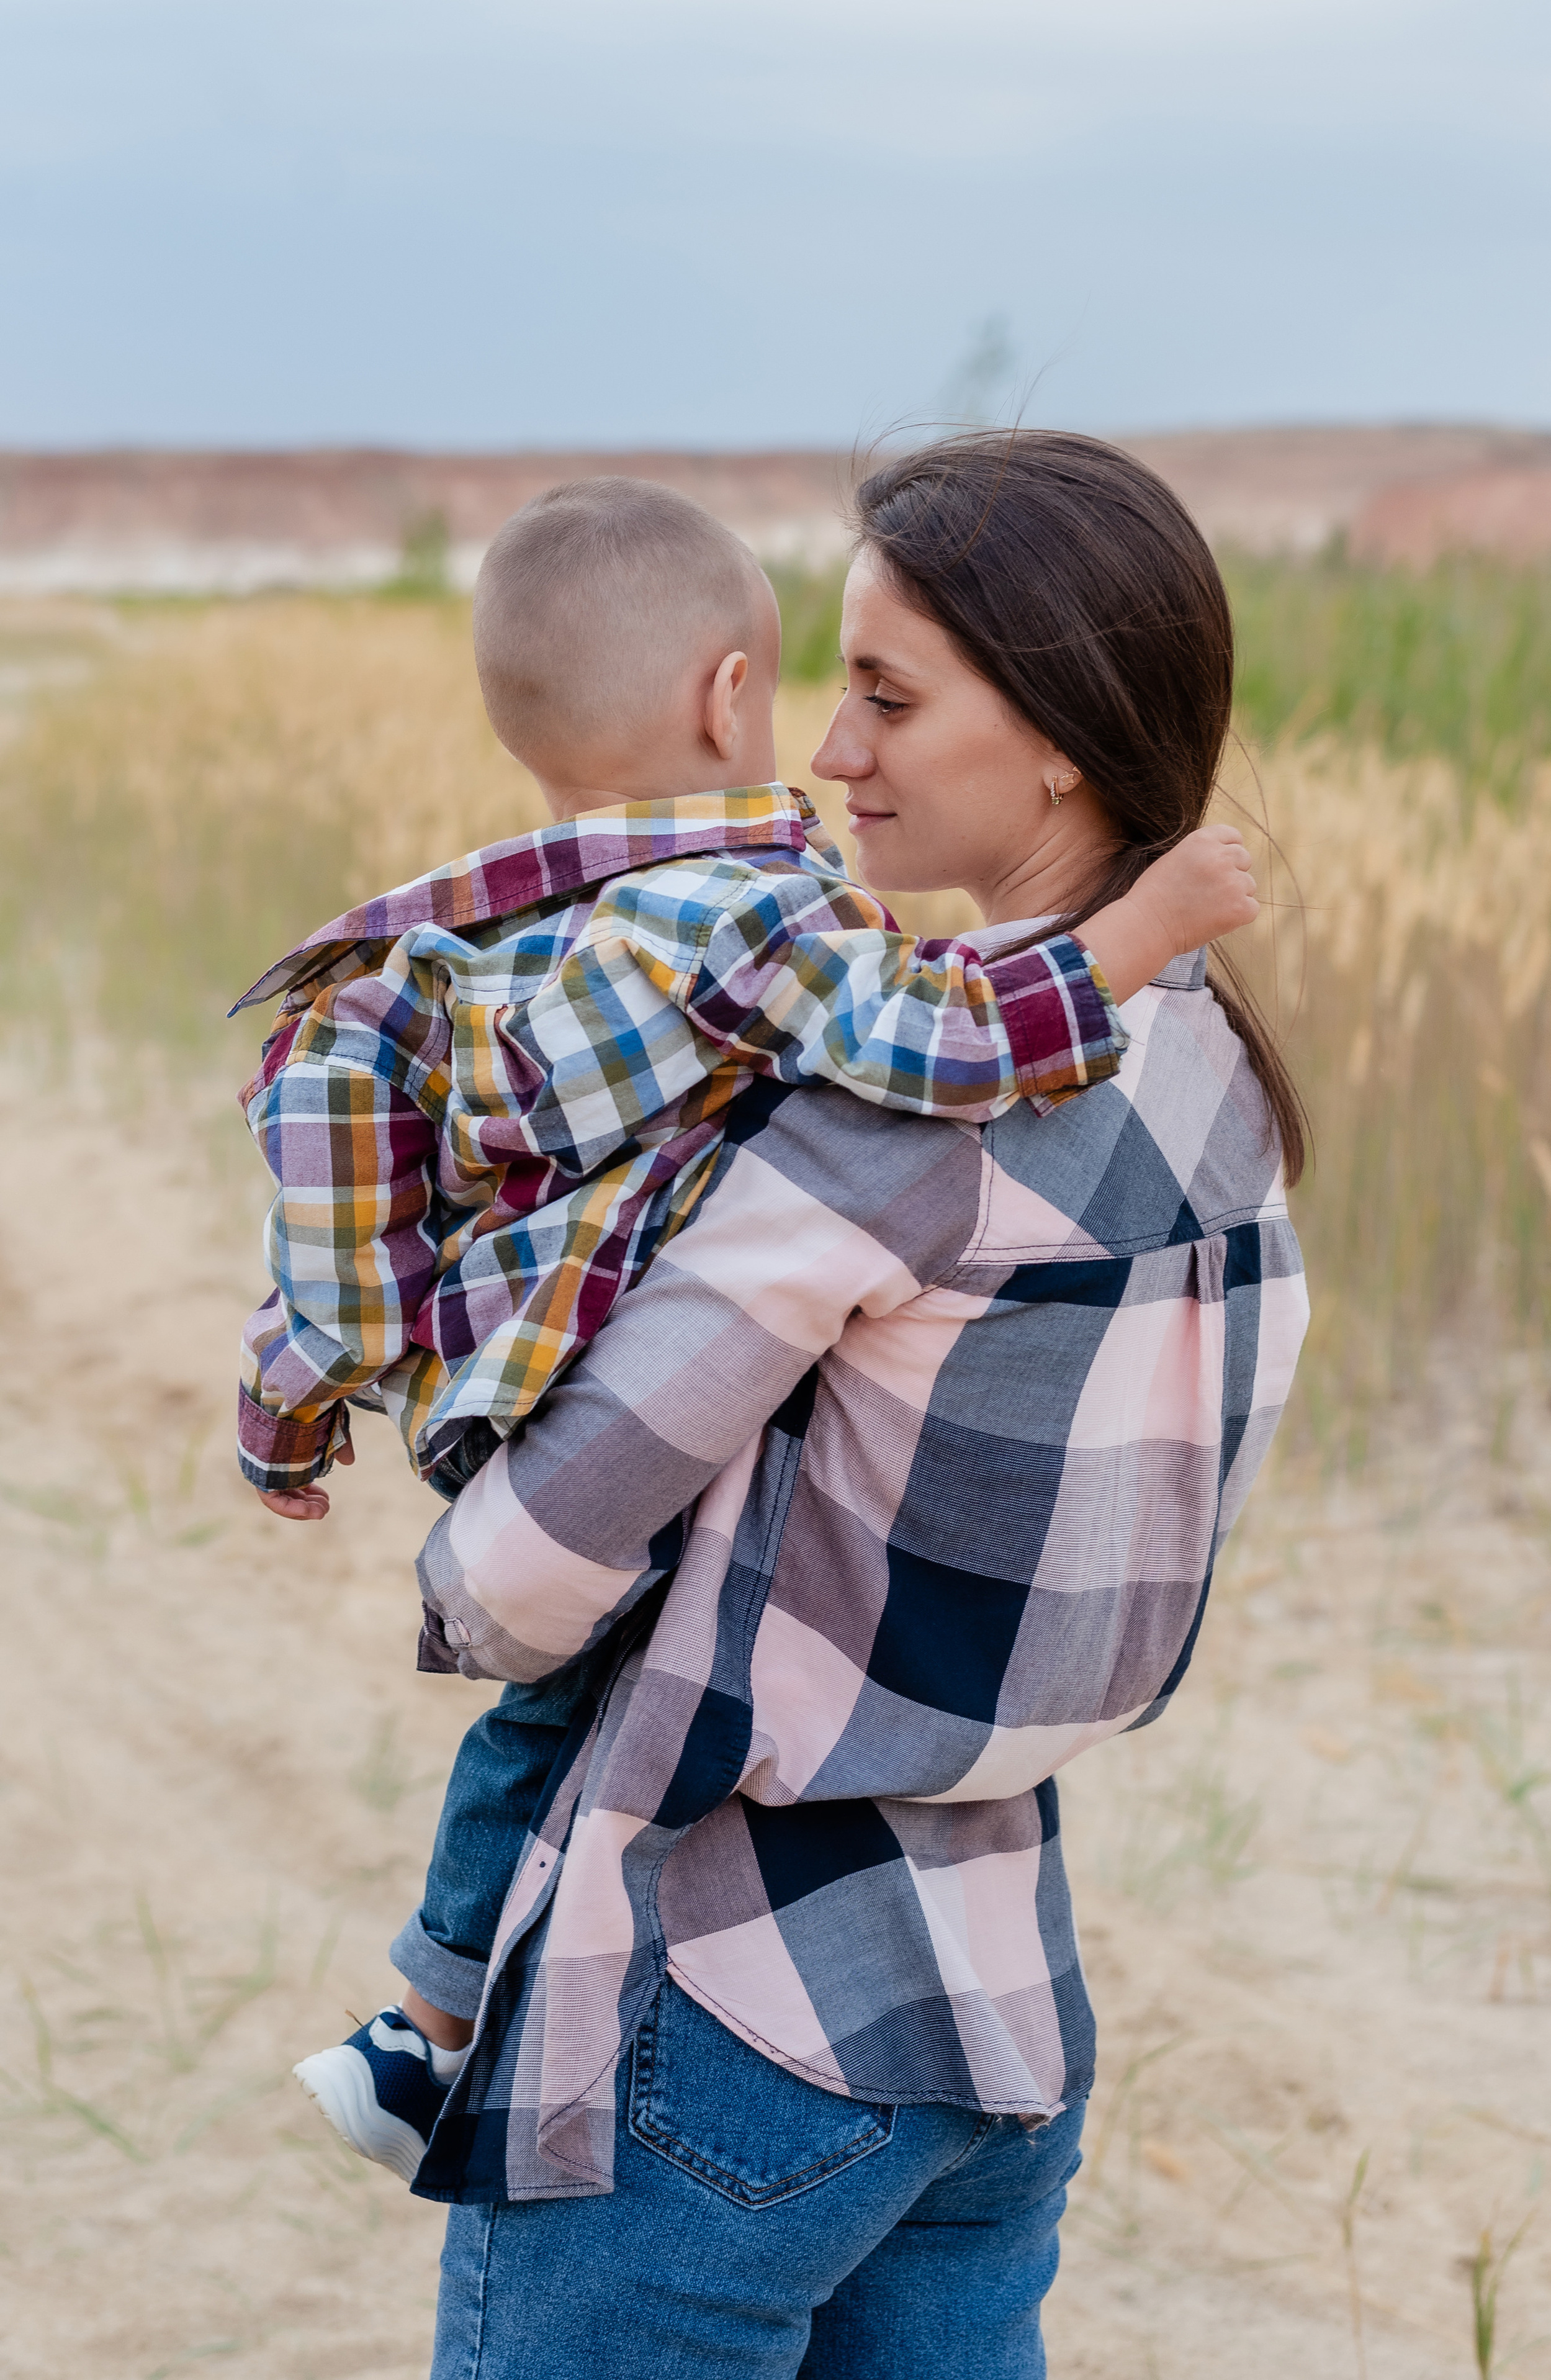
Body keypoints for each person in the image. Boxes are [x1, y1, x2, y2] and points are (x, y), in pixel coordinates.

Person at [369, 430, 1310, 2379]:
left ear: (1055, 734)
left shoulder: (886, 1130)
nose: (830, 752)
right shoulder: (1229, 1094)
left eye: (888, 694)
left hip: (722, 2013)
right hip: (1000, 2011)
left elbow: (518, 1581)